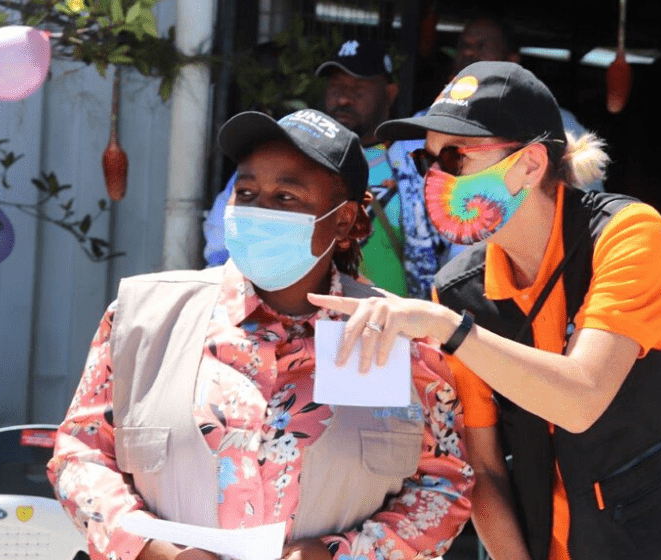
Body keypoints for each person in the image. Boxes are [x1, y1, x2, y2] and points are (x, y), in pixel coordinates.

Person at [309, 61, 661, 560]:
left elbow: (580, 398)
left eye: (455, 157)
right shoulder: (460, 291)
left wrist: (451, 330)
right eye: (428, 161)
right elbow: (483, 470)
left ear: (530, 165)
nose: (435, 178)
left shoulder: (628, 237)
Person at [47, 109, 472, 560]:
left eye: (285, 197)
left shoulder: (398, 340)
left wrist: (344, 555)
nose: (258, 211)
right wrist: (152, 550)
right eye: (246, 193)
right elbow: (82, 453)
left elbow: (444, 481)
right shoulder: (144, 320)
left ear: (344, 222)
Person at [316, 38, 450, 299]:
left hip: (401, 328)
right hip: (318, 324)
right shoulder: (300, 157)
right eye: (336, 85)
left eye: (358, 87)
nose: (343, 97)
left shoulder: (420, 162)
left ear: (389, 93)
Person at [445, 15, 603, 192]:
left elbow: (588, 204)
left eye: (482, 46)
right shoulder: (430, 122)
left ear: (512, 61)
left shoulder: (558, 125)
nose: (468, 53)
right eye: (463, 46)